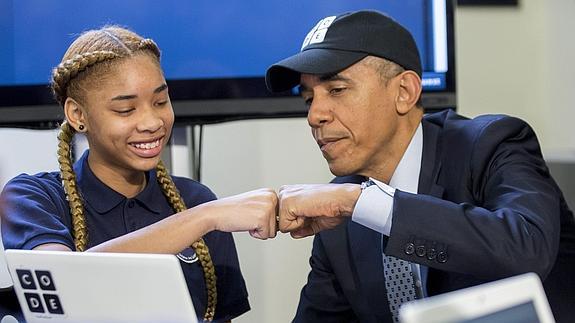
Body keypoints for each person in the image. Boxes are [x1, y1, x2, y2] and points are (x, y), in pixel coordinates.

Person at [266, 10, 575, 323]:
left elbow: (527, 251)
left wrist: (363, 203)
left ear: (405, 92)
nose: (314, 115)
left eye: (336, 90)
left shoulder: (491, 144)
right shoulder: (339, 219)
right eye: (308, 99)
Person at [0, 26, 279, 322]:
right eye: (125, 109)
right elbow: (61, 281)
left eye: (161, 102)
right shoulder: (32, 198)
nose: (151, 122)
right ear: (77, 115)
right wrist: (204, 218)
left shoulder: (197, 199)